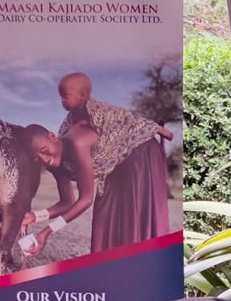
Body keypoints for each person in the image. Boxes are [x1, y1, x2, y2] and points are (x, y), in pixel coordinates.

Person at [21, 72, 172, 256]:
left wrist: (47, 231)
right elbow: (67, 202)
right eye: (38, 158)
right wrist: (36, 216)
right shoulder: (55, 162)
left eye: (44, 150)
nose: (45, 159)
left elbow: (85, 200)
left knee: (133, 218)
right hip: (114, 164)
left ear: (53, 137)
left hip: (140, 153)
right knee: (104, 220)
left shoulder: (77, 141)